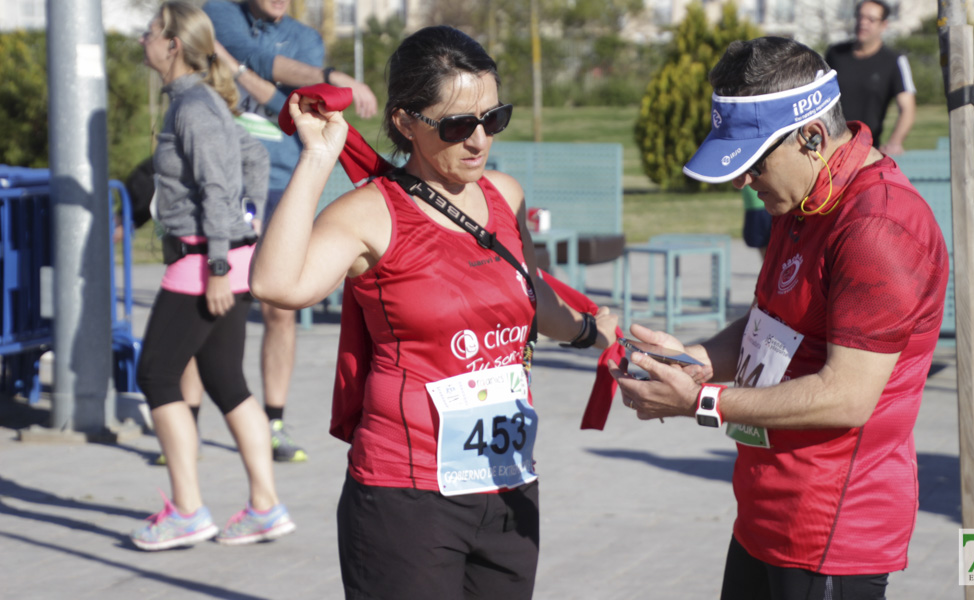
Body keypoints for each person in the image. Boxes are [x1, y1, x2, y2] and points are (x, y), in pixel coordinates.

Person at [250, 25, 618, 598]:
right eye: (456, 125)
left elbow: (528, 294)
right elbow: (276, 283)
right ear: (404, 123)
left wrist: (596, 332)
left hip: (508, 483)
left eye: (493, 119)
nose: (478, 141)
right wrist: (318, 155)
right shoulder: (369, 215)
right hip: (408, 496)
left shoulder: (505, 195)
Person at [610, 37, 948, 599]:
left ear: (811, 138)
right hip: (765, 513)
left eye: (754, 162)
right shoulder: (802, 196)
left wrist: (700, 402)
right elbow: (768, 323)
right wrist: (692, 363)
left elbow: (847, 396)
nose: (744, 182)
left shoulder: (876, 227)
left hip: (830, 533)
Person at [130, 1, 295, 551]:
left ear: (172, 44)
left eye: (150, 31)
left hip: (206, 262)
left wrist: (222, 260)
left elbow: (219, 188)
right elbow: (249, 154)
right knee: (226, 382)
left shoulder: (193, 107)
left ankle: (186, 509)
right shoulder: (201, 102)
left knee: (155, 374)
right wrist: (244, 227)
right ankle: (265, 508)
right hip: (222, 257)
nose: (142, 38)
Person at [204, 0, 380, 463]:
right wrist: (328, 78)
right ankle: (182, 418)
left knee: (278, 308)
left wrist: (238, 68)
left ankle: (274, 422)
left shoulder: (307, 38)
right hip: (222, 182)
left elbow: (294, 104)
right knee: (208, 300)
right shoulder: (217, 13)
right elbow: (267, 64)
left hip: (280, 182)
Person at [824, 0, 916, 155]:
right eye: (860, 17)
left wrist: (895, 142)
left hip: (866, 150)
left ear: (884, 25)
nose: (863, 23)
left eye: (871, 19)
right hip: (829, 147)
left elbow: (908, 108)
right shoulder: (835, 54)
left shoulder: (894, 61)